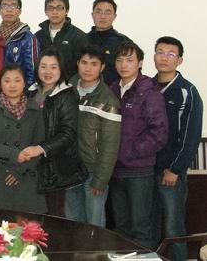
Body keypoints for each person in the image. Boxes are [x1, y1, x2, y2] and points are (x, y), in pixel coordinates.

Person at [109, 40, 167, 249]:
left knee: (141, 228)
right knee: (121, 228)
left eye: (129, 60)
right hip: (115, 170)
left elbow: (159, 134)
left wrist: (129, 152)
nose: (124, 65)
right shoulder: (112, 89)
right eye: (119, 60)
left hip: (139, 171)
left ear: (140, 63)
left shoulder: (149, 92)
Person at [21, 47, 87, 217]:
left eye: (53, 67)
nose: (47, 71)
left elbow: (68, 133)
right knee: (31, 219)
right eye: (43, 66)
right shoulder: (31, 92)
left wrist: (41, 148)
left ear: (61, 69)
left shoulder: (67, 95)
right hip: (32, 166)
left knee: (55, 218)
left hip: (57, 170)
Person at [153, 36, 203, 261]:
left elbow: (191, 136)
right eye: (160, 52)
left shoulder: (187, 91)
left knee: (173, 228)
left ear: (179, 60)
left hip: (170, 173)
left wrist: (175, 169)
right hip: (145, 170)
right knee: (150, 226)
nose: (164, 58)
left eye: (171, 54)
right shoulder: (147, 86)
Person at [65, 45, 121, 227]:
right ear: (78, 63)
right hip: (70, 169)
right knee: (73, 223)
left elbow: (110, 144)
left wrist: (101, 179)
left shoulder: (108, 99)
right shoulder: (66, 90)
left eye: (94, 64)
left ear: (102, 67)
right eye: (84, 63)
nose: (88, 68)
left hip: (93, 171)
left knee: (95, 225)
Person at [0, 64, 46, 214]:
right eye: (7, 81)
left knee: (28, 226)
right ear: (0, 83)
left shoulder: (35, 110)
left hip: (27, 177)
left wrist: (19, 170)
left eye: (17, 80)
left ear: (24, 83)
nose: (12, 85)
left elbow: (40, 146)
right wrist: (14, 155)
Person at [35, 0, 89, 80]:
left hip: (70, 86)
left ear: (67, 10)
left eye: (59, 8)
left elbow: (83, 67)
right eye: (50, 8)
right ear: (45, 11)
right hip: (43, 86)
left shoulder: (78, 36)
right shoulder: (37, 37)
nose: (54, 11)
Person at [0, 0, 39, 87]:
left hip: (19, 91)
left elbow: (32, 72)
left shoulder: (28, 38)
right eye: (5, 6)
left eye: (13, 6)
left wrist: (27, 92)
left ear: (19, 11)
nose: (9, 10)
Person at [87, 0, 130, 86]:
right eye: (98, 12)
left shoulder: (123, 42)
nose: (102, 16)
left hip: (113, 92)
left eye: (107, 12)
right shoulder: (82, 40)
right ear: (92, 15)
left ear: (114, 16)